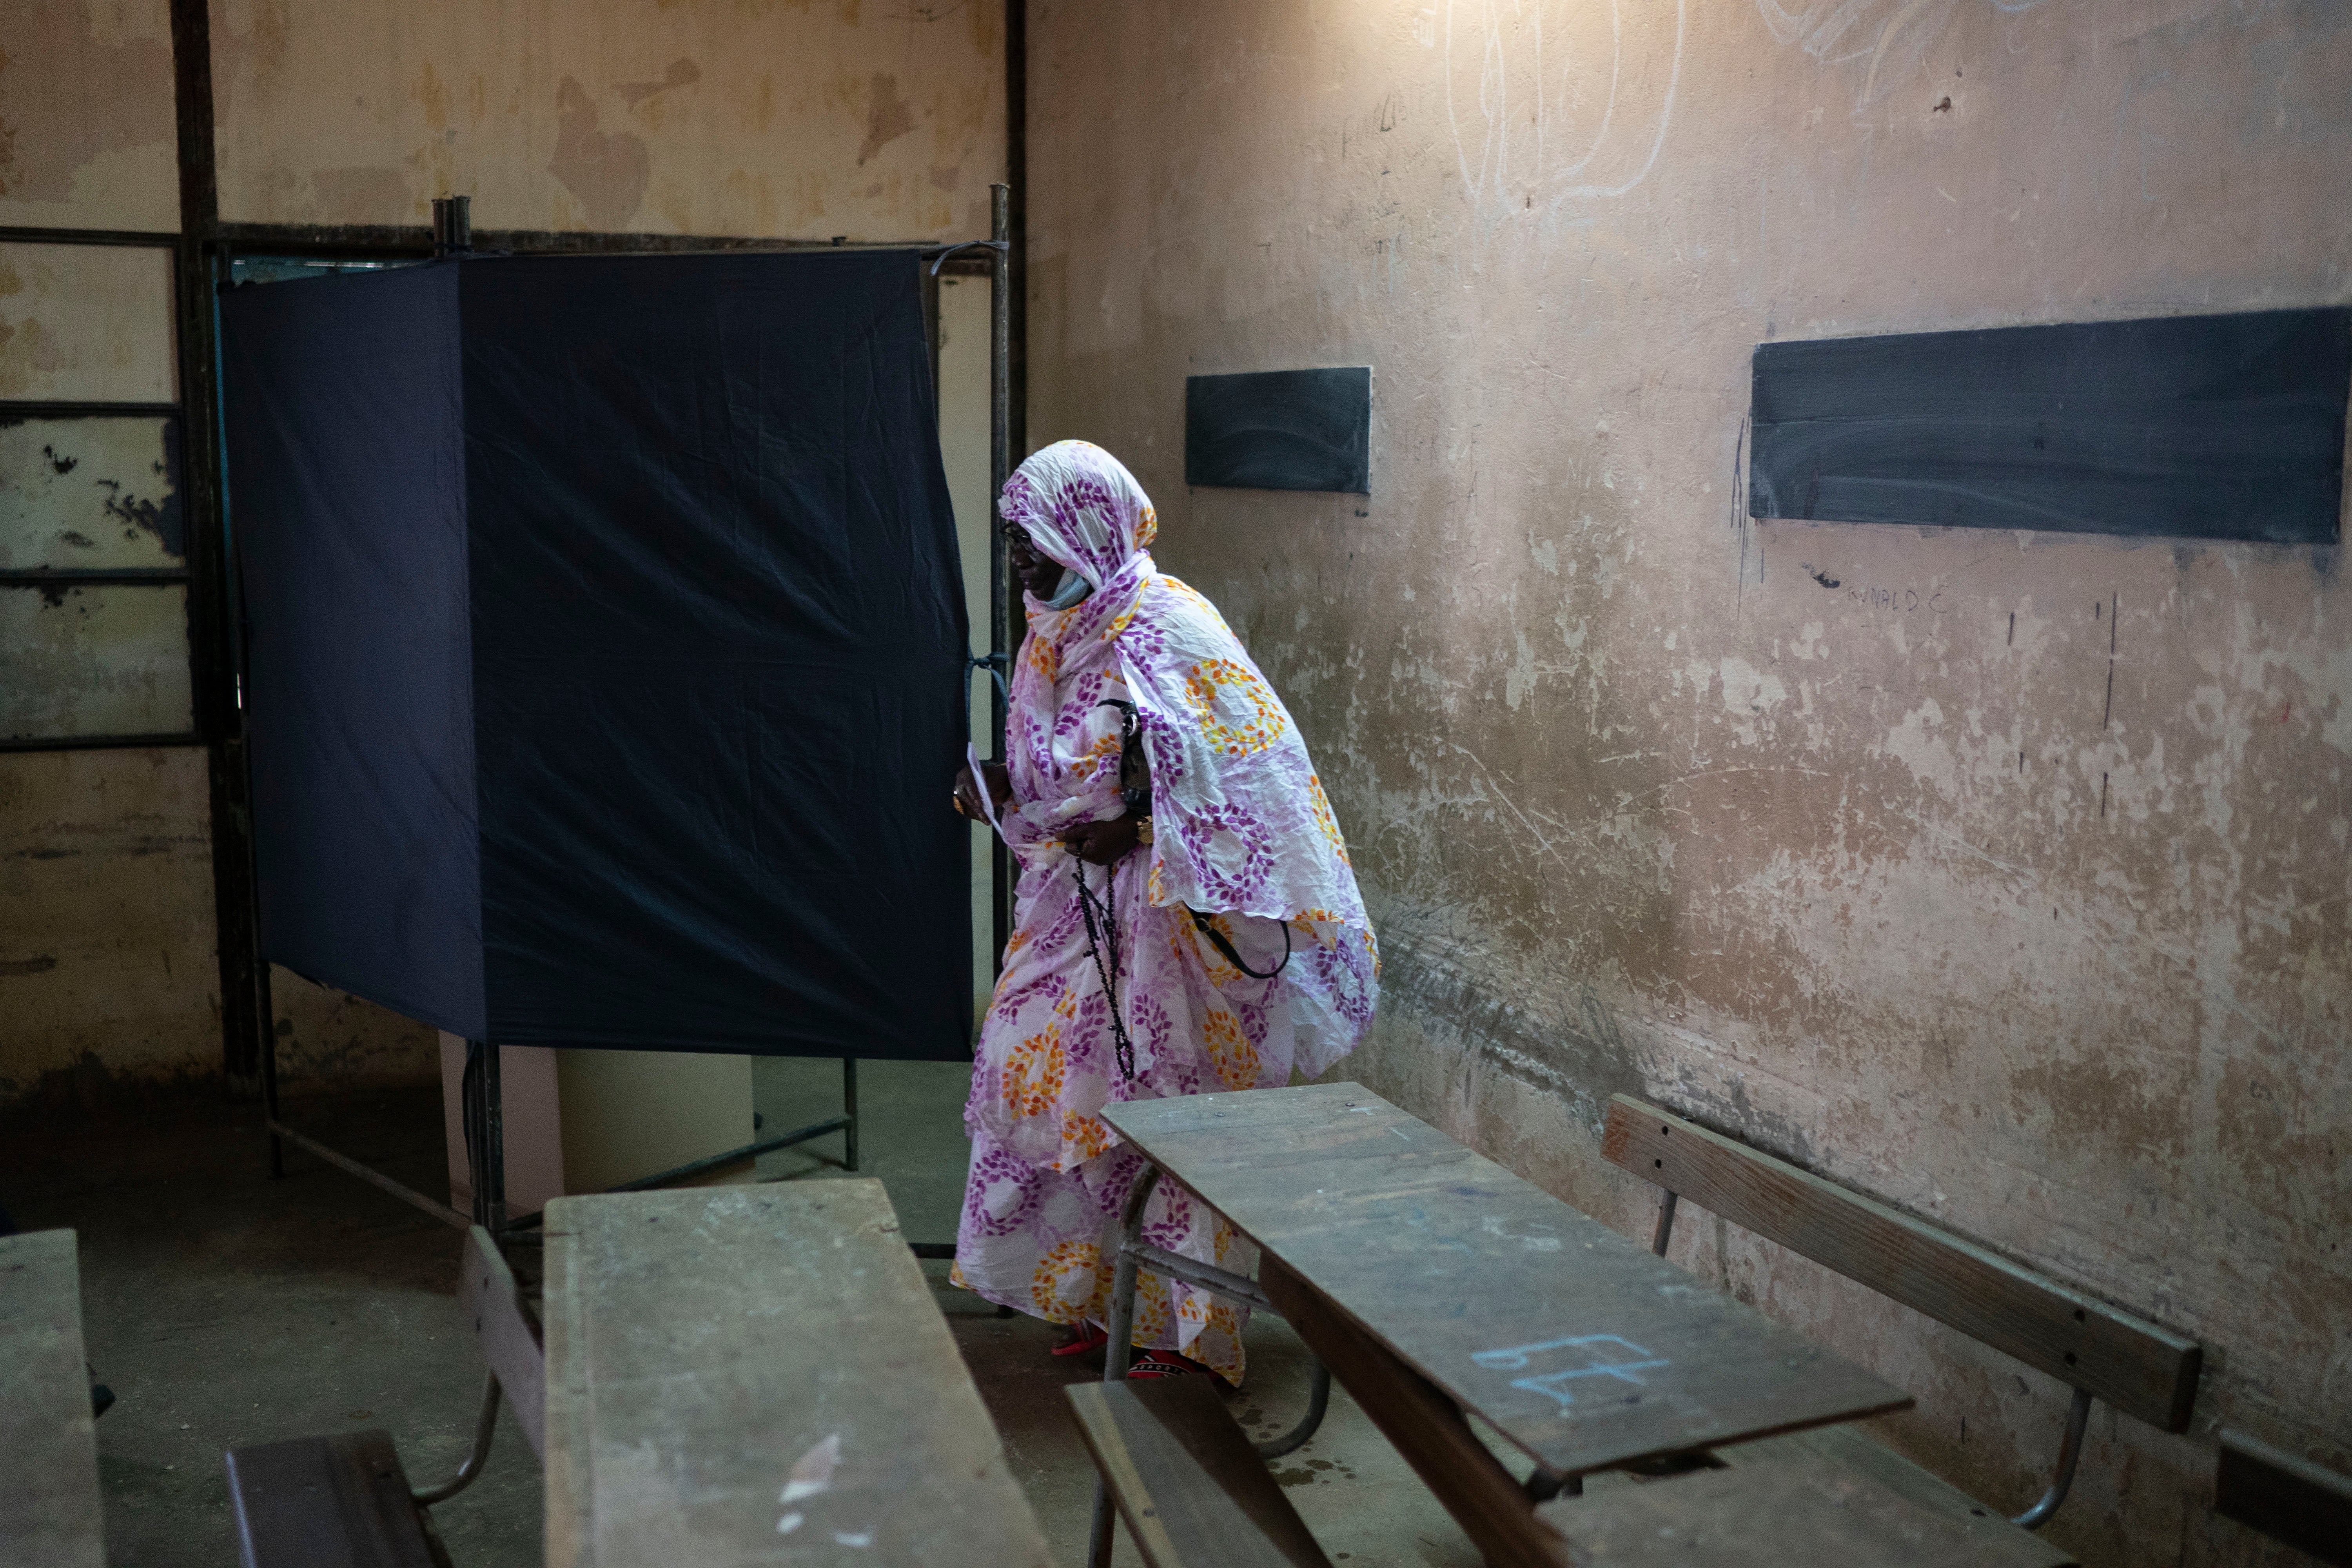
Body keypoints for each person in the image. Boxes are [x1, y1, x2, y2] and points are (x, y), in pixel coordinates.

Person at [951, 440, 1377, 1384]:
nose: (1022, 563)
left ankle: (1187, 1336)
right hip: (1074, 916)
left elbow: (1259, 782)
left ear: (1091, 527)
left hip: (1172, 930)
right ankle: (1099, 1299)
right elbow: (1054, 786)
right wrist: (1000, 799)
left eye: (1037, 542)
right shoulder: (1050, 640)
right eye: (1015, 544)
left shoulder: (1171, 625)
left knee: (1173, 1125)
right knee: (1055, 1096)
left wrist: (1141, 825)